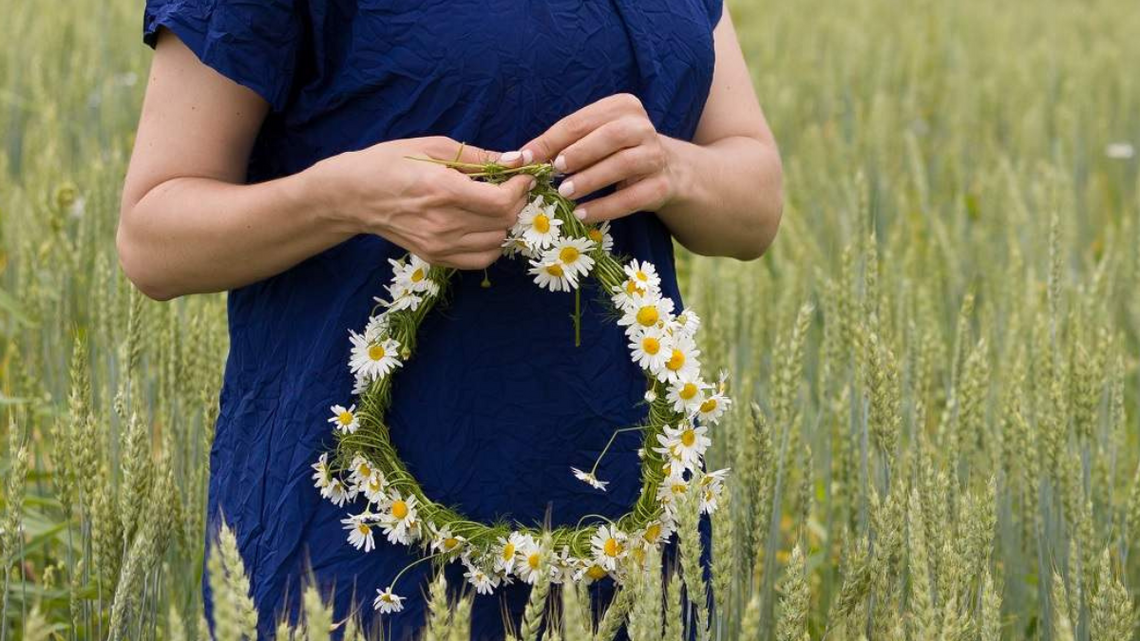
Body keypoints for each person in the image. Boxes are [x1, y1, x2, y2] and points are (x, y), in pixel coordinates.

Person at [117, 0, 782, 638]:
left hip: (629, 536)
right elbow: (153, 238)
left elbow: (755, 201)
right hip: (365, 540)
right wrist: (343, 197)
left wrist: (673, 167)